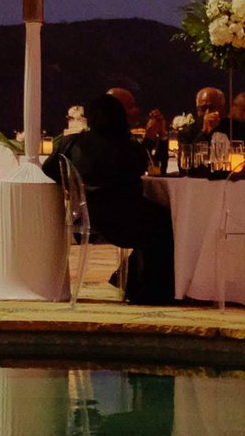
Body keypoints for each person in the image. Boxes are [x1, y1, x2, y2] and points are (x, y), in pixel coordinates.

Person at [59, 93, 176, 304]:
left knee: (153, 218)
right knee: (165, 220)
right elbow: (141, 165)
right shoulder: (123, 144)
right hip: (122, 219)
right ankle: (148, 289)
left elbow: (51, 170)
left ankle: (128, 280)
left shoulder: (72, 143)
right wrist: (149, 138)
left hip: (86, 214)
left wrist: (71, 187)